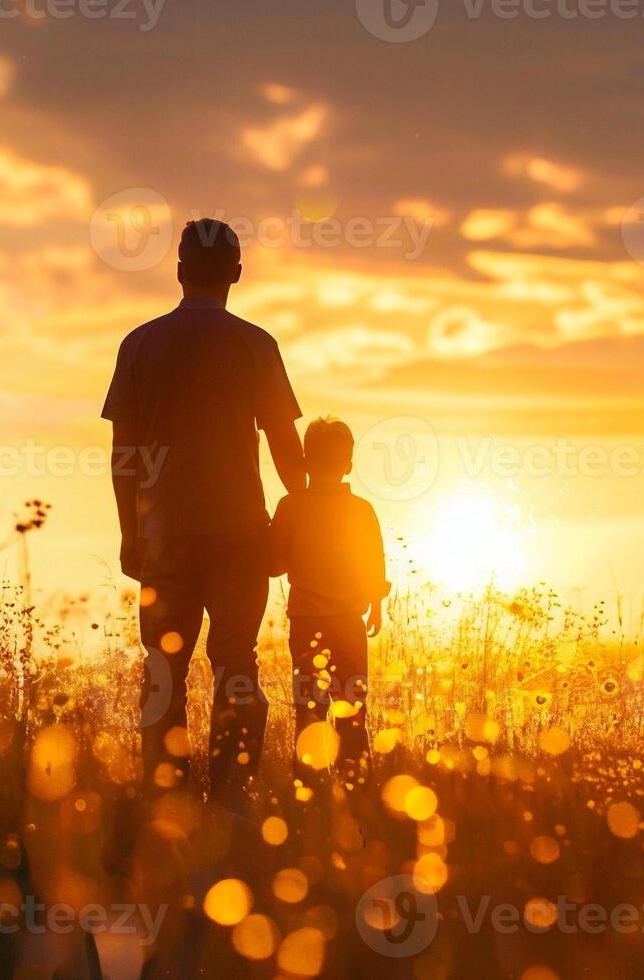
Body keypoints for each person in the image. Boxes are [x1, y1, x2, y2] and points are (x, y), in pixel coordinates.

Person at [102, 218, 304, 811]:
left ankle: (165, 797)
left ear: (181, 271)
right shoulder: (255, 344)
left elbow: (125, 455)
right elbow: (288, 452)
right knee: (237, 663)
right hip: (243, 532)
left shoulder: (140, 343)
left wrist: (130, 530)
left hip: (165, 537)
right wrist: (302, 515)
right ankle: (233, 797)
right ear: (236, 274)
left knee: (164, 666)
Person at [269, 417, 390, 778]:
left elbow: (274, 566)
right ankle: (355, 783)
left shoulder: (291, 506)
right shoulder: (362, 510)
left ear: (306, 461)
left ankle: (305, 786)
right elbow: (373, 562)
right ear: (348, 465)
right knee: (352, 708)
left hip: (307, 624)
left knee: (309, 710)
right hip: (349, 625)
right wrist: (376, 605)